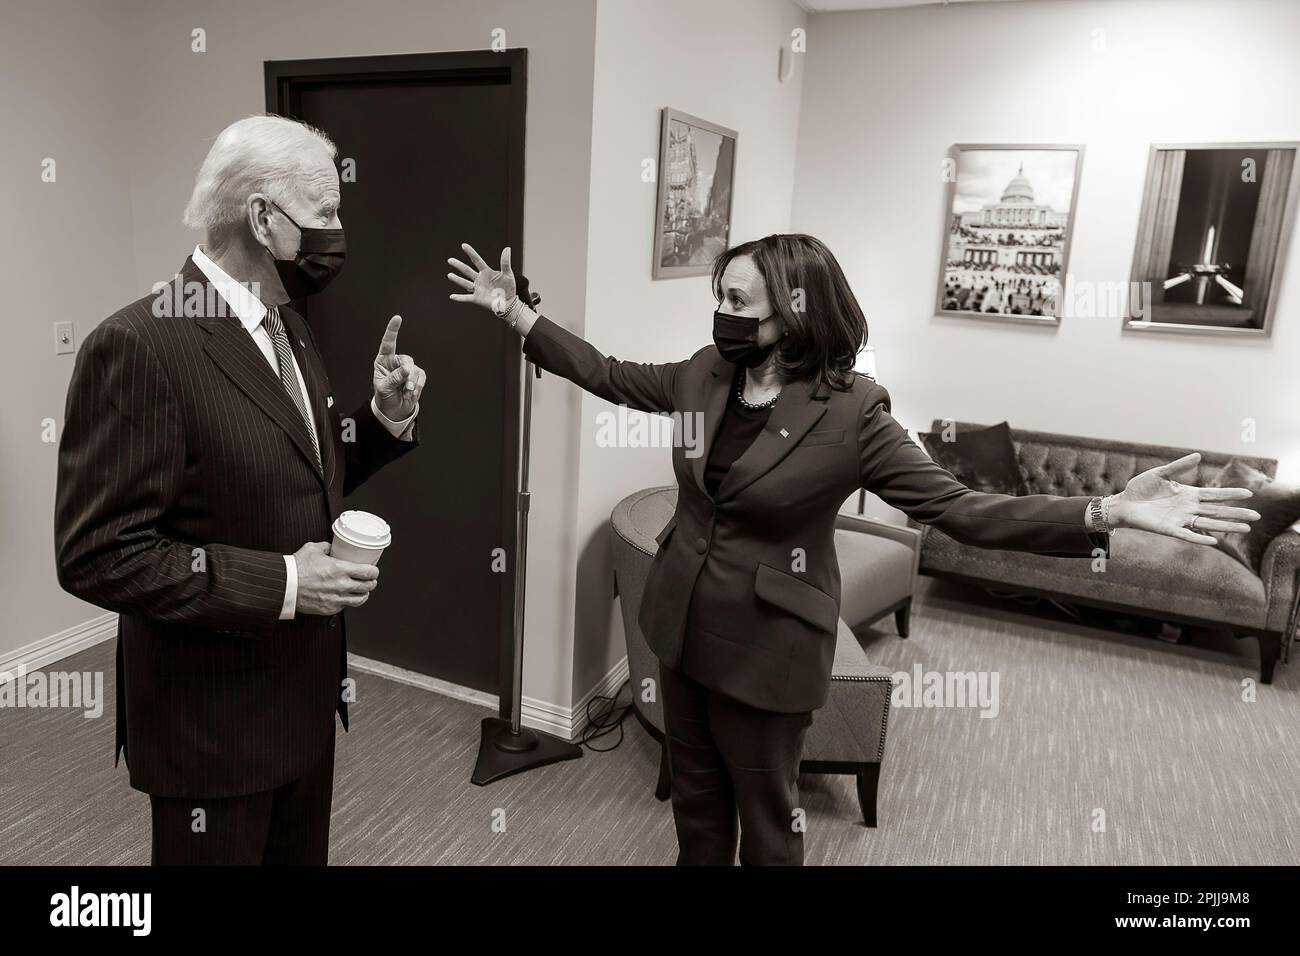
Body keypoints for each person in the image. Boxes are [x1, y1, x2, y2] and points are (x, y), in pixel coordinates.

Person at [447, 233, 1257, 866]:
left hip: (767, 654)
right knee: (697, 816)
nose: (720, 314)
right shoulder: (704, 376)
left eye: (738, 300)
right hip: (680, 631)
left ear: (794, 313)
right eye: (718, 296)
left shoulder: (853, 414)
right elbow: (613, 374)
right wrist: (520, 318)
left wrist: (1106, 511)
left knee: (768, 831)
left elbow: (961, 509)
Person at [55, 115, 426, 865]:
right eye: (324, 213)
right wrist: (288, 581)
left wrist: (382, 420)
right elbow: (98, 554)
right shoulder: (138, 344)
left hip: (304, 698)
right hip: (213, 725)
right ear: (263, 217)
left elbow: (305, 470)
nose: (337, 231)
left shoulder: (286, 324)